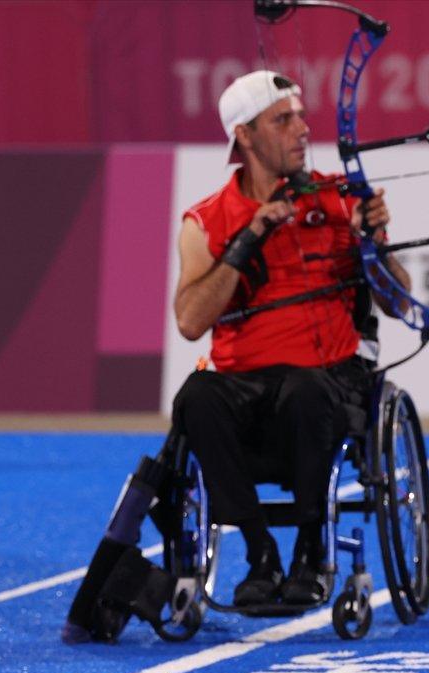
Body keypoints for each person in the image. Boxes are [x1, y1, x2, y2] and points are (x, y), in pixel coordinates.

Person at [170, 70, 411, 607]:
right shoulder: (206, 222)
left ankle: (310, 551)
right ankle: (259, 555)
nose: (303, 129)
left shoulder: (339, 199)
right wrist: (251, 235)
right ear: (245, 137)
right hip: (241, 385)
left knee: (305, 388)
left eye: (302, 116)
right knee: (195, 398)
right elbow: (190, 322)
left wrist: (372, 243)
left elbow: (399, 302)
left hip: (325, 381)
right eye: (284, 120)